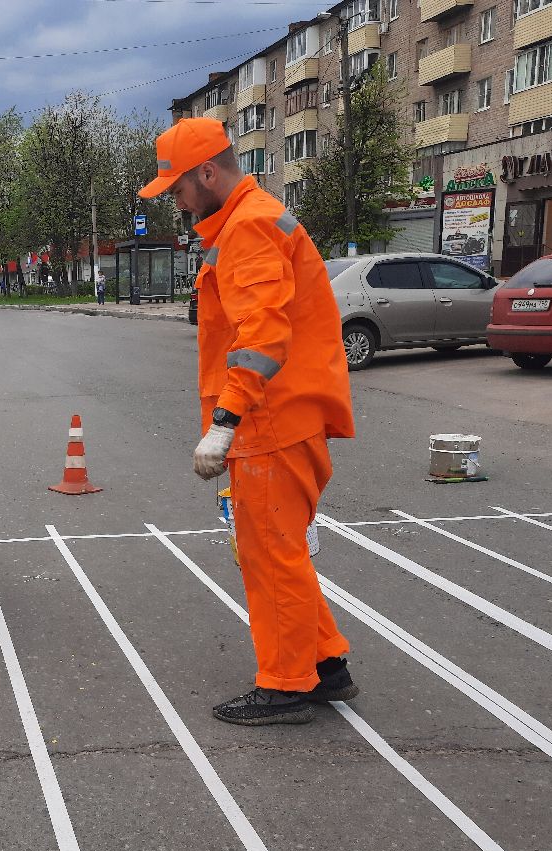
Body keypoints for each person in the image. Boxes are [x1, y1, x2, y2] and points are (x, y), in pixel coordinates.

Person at [138, 116, 356, 726]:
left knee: (268, 555)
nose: (177, 203)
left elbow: (262, 336)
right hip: (286, 417)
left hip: (269, 421)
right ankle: (325, 661)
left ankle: (288, 684)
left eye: (178, 189)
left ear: (207, 172)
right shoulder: (250, 218)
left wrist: (226, 420)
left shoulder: (249, 227)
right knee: (282, 550)